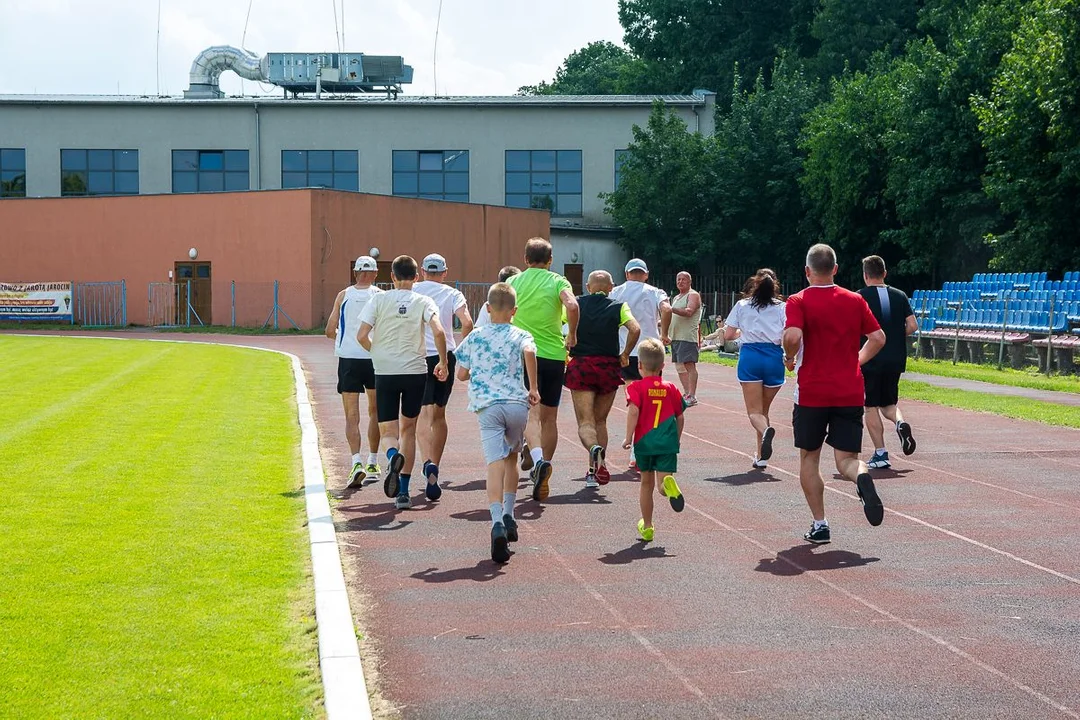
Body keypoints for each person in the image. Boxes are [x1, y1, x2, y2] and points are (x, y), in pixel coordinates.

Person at [782, 244, 887, 545]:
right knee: (847, 460)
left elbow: (792, 336)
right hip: (849, 391)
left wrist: (789, 357)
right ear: (836, 269)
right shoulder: (855, 300)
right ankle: (862, 477)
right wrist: (857, 360)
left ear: (807, 271)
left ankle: (820, 524)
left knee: (809, 458)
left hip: (813, 392)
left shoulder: (798, 300)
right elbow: (878, 338)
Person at [455, 282, 540, 563]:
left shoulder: (476, 336)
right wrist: (533, 386)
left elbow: (462, 374)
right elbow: (530, 352)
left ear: (488, 308)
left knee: (494, 463)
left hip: (488, 406)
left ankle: (496, 522)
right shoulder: (521, 334)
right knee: (512, 458)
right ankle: (509, 512)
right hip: (516, 404)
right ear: (514, 310)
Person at [358, 255, 449, 511]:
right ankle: (404, 493)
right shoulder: (423, 300)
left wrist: (376, 352)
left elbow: (361, 335)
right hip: (415, 370)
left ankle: (391, 456)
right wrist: (442, 362)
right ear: (416, 278)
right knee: (409, 429)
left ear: (393, 278)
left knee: (388, 431)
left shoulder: (378, 299)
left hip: (385, 370)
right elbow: (439, 331)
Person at [506, 238, 580, 502]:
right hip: (553, 356)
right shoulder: (559, 281)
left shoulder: (513, 283)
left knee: (530, 415)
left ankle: (537, 462)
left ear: (525, 260)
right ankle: (544, 463)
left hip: (524, 354)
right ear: (550, 260)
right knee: (549, 418)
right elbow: (572, 305)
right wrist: (571, 335)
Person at [565, 270, 640, 488]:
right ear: (610, 288)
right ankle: (597, 466)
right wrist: (625, 353)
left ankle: (592, 452)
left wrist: (569, 338)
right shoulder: (618, 306)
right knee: (600, 421)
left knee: (585, 421)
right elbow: (635, 328)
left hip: (581, 365)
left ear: (588, 287)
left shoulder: (575, 304)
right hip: (608, 366)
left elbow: (561, 323)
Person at [413, 253, 474, 493]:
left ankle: (426, 461)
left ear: (422, 270)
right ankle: (435, 465)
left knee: (419, 413)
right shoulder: (452, 293)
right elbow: (467, 322)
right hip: (444, 355)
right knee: (438, 414)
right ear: (445, 273)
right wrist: (461, 351)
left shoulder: (414, 290)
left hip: (417, 354)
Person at [324, 255, 383, 488]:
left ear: (355, 272)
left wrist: (342, 337)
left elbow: (329, 330)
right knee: (375, 411)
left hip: (348, 359)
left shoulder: (343, 295)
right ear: (376, 273)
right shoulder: (380, 296)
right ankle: (373, 461)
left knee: (351, 415)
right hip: (373, 357)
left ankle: (356, 461)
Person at [622, 338, 686, 542]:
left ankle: (647, 526)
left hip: (645, 443)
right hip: (667, 442)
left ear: (639, 365)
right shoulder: (671, 388)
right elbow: (680, 416)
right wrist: (677, 438)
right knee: (661, 486)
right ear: (662, 366)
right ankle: (668, 484)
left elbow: (633, 411)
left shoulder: (635, 388)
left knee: (646, 485)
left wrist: (627, 437)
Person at [610, 258, 672, 468]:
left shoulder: (617, 292)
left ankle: (636, 451)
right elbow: (667, 309)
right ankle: (648, 447)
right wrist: (664, 334)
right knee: (654, 402)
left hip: (626, 351)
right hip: (651, 351)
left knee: (634, 401)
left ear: (627, 274)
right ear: (645, 274)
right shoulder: (655, 291)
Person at [858, 255, 918, 468]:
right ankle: (900, 422)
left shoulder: (859, 297)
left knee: (870, 405)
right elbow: (912, 325)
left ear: (865, 276)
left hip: (870, 357)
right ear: (884, 273)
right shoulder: (900, 295)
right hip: (895, 357)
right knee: (889, 403)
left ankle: (881, 453)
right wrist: (894, 336)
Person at [724, 269, 786, 470]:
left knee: (753, 412)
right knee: (763, 410)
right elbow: (788, 335)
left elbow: (728, 335)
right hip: (774, 357)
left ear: (754, 284)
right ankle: (761, 456)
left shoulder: (742, 305)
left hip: (751, 356)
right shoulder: (782, 307)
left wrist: (744, 332)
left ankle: (766, 432)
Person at [665, 271, 703, 406]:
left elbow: (689, 312)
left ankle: (692, 395)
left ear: (690, 281)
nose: (680, 282)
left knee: (689, 365)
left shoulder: (693, 295)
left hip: (687, 337)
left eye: (683, 279)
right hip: (675, 337)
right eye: (678, 279)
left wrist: (670, 309)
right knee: (680, 367)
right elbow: (672, 317)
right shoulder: (676, 298)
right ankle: (687, 393)